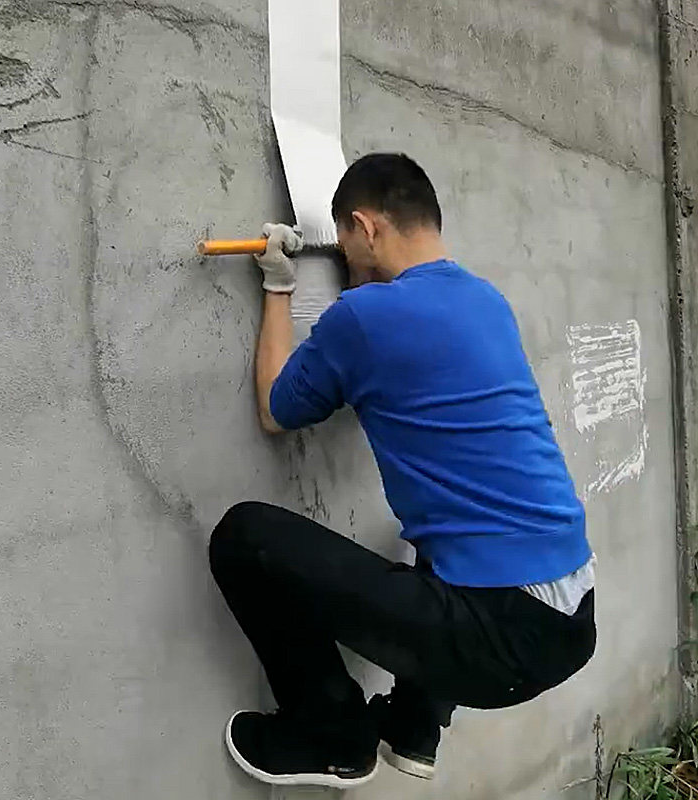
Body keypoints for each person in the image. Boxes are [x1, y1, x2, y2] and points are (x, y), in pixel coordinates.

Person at [208, 153, 596, 789]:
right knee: (436, 517)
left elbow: (277, 410)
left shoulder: (365, 316)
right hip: (573, 612)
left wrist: (278, 286)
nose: (347, 263)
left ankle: (331, 735)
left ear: (366, 227)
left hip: (502, 637)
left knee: (244, 537)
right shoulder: (486, 300)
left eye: (345, 245)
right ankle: (415, 726)